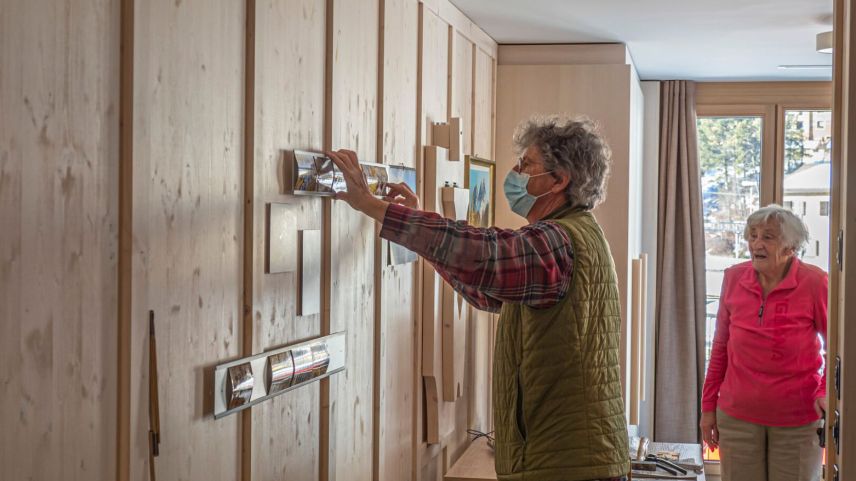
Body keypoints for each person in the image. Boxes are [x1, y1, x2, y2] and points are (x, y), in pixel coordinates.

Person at [327, 114, 630, 481]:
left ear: (559, 180)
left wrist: (374, 207)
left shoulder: (557, 243)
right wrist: (418, 221)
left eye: (527, 165)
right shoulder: (574, 235)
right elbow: (488, 291)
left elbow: (481, 254)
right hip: (569, 458)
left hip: (566, 464)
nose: (516, 171)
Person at [700, 205, 828, 481]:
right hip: (737, 417)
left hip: (797, 419)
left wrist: (825, 389)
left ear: (790, 247)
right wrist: (708, 408)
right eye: (753, 235)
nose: (756, 243)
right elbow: (720, 347)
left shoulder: (815, 283)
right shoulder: (733, 278)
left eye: (768, 237)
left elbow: (841, 348)